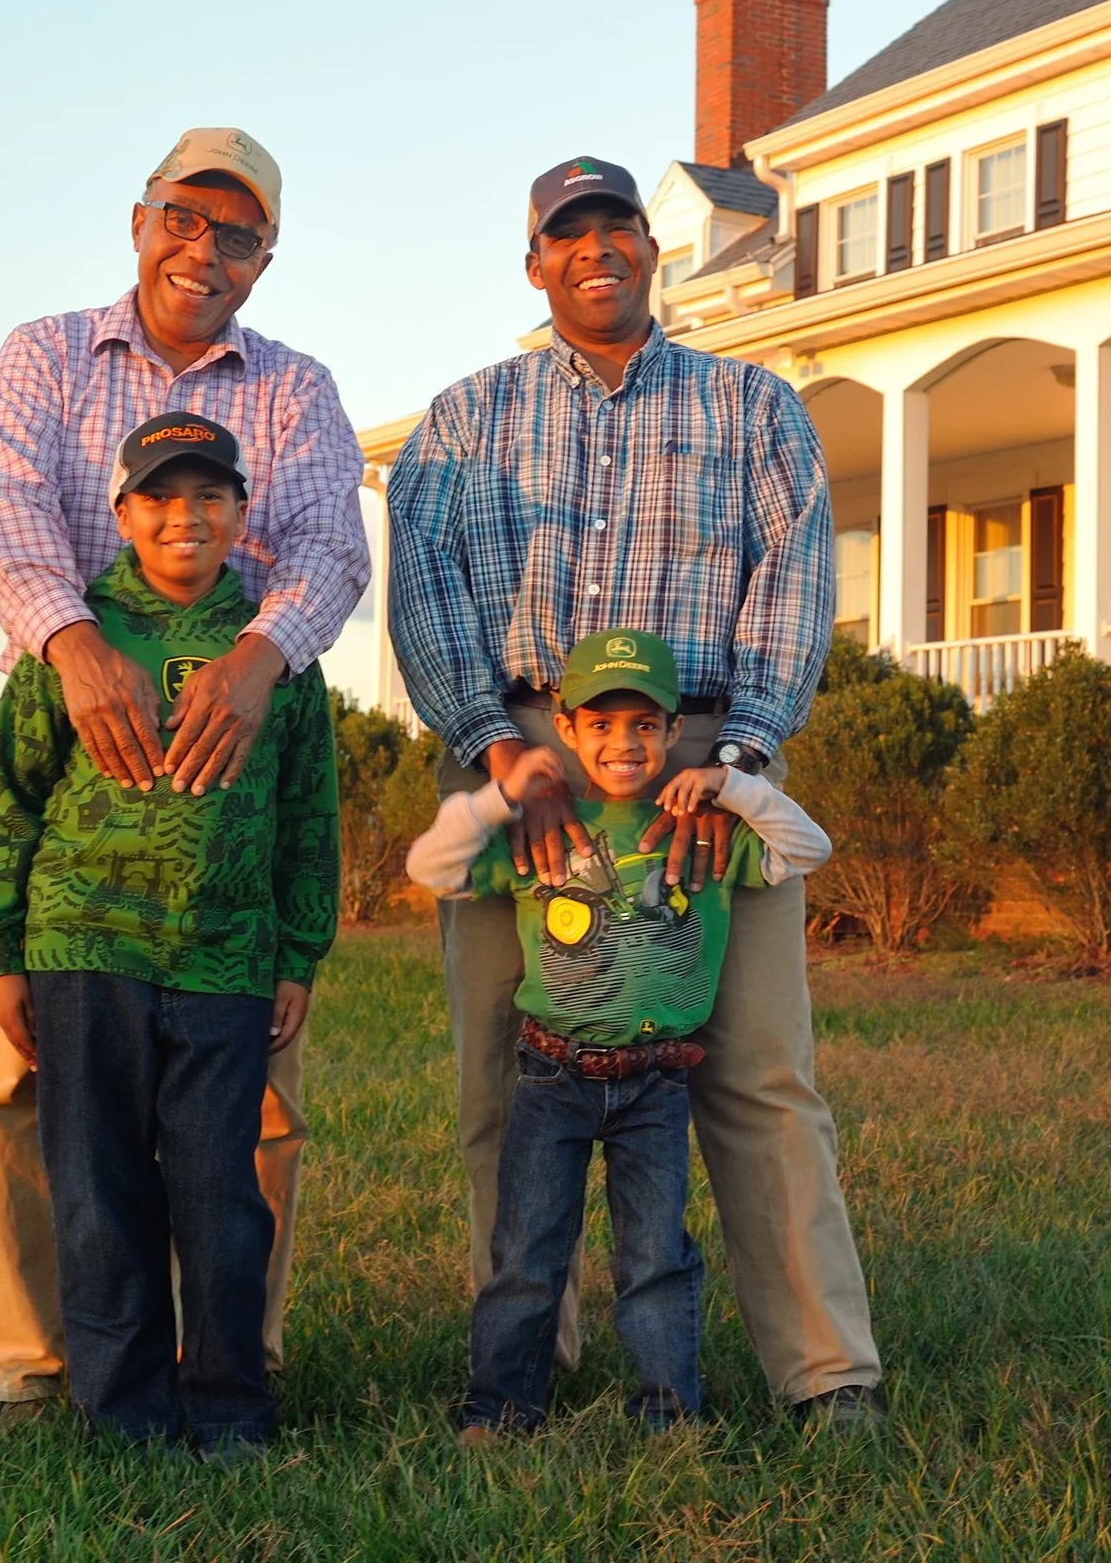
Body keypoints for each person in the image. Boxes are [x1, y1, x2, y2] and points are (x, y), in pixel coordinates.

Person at [386, 156, 885, 1426]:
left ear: (651, 252)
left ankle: (825, 1372)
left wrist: (743, 754)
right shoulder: (463, 419)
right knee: (505, 1074)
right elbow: (426, 586)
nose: (596, 249)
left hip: (702, 762)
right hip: (519, 760)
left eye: (618, 227)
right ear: (535, 262)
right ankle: (523, 1361)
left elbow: (792, 586)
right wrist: (490, 740)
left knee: (760, 1071)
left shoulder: (752, 409)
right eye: (569, 233)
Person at [0, 129, 370, 1418]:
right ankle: (36, 1362)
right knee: (30, 1099)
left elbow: (326, 551)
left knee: (244, 1123)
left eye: (236, 233)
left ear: (266, 254)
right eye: (184, 218)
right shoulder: (44, 354)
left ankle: (233, 1363)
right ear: (140, 219)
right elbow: (10, 512)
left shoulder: (294, 390)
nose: (204, 249)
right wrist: (78, 647)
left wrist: (260, 658)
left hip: (231, 788)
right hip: (74, 773)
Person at [0, 412, 338, 1459]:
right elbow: (10, 805)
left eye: (209, 494)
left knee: (221, 1195)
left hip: (223, 958)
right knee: (96, 1193)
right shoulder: (74, 643)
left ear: (240, 513)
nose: (187, 515)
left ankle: (226, 1410)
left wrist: (297, 952)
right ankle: (121, 1411)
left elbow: (310, 816)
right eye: (161, 496)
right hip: (85, 952)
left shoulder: (278, 655)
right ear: (122, 513)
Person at [405, 629, 832, 1441]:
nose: (623, 743)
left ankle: (669, 1414)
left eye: (644, 725)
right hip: (551, 1075)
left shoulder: (701, 828)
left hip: (654, 1081)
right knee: (527, 1251)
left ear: (675, 732)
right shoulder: (541, 830)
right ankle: (502, 1406)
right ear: (566, 727)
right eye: (601, 724)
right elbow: (431, 868)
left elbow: (809, 849)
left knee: (655, 1259)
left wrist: (733, 786)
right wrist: (501, 794)